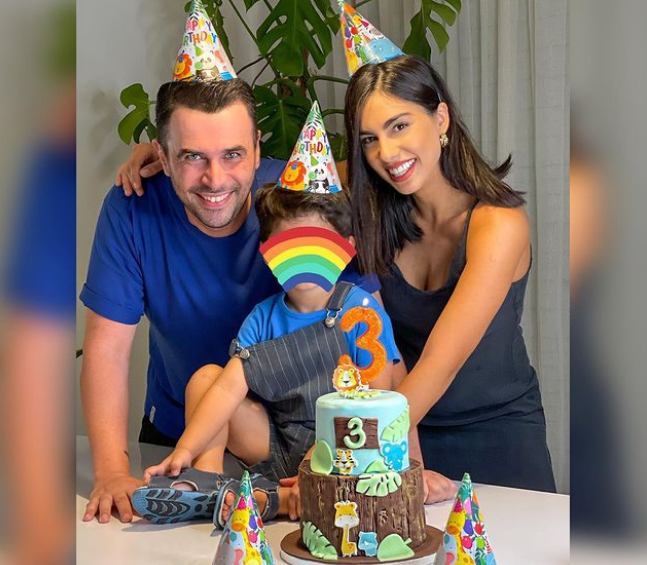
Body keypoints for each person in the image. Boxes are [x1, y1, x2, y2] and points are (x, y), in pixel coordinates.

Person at [79, 78, 379, 524]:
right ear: (162, 156)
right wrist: (110, 472)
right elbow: (107, 348)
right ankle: (206, 488)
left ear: (257, 149)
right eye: (192, 156)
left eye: (233, 154)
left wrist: (356, 453)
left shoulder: (299, 201)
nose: (215, 179)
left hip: (310, 443)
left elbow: (373, 343)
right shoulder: (132, 207)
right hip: (180, 436)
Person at [344, 54, 556, 492]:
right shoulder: (374, 218)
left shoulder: (498, 222)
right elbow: (285, 186)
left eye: (399, 126)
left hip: (498, 435)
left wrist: (356, 447)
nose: (386, 153)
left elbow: (441, 360)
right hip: (411, 438)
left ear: (440, 118)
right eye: (369, 139)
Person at [132, 183, 399, 526]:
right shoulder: (262, 318)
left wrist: (320, 461)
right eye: (289, 246)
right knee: (206, 378)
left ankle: (276, 500)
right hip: (277, 444)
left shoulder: (362, 312)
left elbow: (378, 405)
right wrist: (185, 449)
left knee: (361, 471)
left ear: (347, 248)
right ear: (268, 252)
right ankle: (208, 482)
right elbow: (227, 389)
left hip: (343, 452)